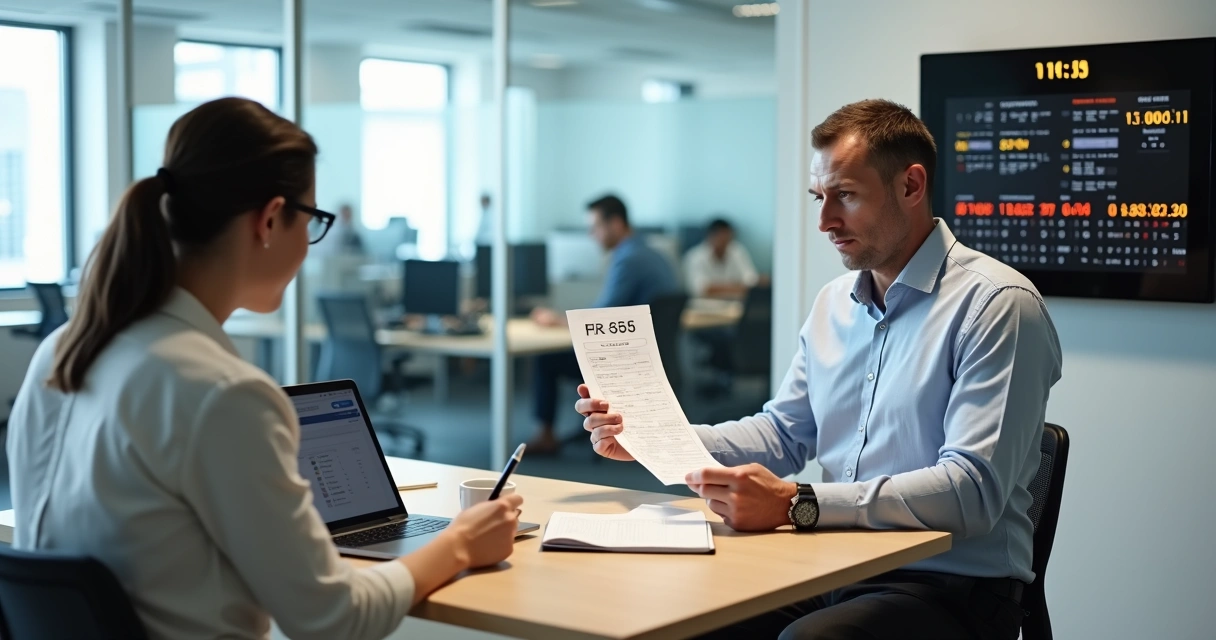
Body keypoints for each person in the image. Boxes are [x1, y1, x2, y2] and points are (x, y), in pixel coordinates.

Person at [6, 98, 524, 640]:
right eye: (313, 219)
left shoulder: (63, 350)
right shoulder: (220, 392)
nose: (310, 241)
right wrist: (459, 543)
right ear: (271, 219)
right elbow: (334, 620)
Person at [576, 99, 1062, 640]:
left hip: (949, 588)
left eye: (846, 196)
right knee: (678, 613)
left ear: (911, 186)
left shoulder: (998, 305)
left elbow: (971, 491)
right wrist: (653, 439)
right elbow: (784, 434)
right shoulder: (834, 303)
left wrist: (799, 504)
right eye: (819, 197)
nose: (825, 221)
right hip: (835, 563)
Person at [528, 194, 677, 454]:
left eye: (595, 227)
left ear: (616, 223)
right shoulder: (654, 253)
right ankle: (581, 427)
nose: (592, 235)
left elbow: (600, 316)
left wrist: (558, 320)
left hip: (626, 361)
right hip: (650, 355)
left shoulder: (628, 258)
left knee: (546, 359)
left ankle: (546, 435)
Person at [683, 218, 761, 298]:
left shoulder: (737, 250)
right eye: (721, 238)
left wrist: (717, 287)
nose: (725, 243)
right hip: (704, 304)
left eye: (728, 238)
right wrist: (738, 286)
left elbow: (751, 280)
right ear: (710, 236)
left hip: (736, 303)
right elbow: (701, 288)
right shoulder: (694, 257)